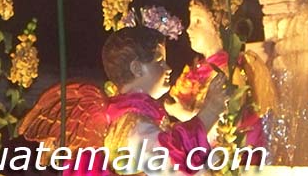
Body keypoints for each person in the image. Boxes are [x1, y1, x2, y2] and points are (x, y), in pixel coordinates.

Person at [20, 25, 228, 176]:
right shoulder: (131, 123)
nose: (168, 68)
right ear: (136, 68)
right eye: (159, 61)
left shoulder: (136, 118)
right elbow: (169, 160)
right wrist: (208, 113)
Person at [166, 0, 272, 155]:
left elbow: (229, 128)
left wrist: (184, 115)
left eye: (198, 22)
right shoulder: (198, 71)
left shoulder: (230, 71)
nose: (189, 29)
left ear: (219, 27)